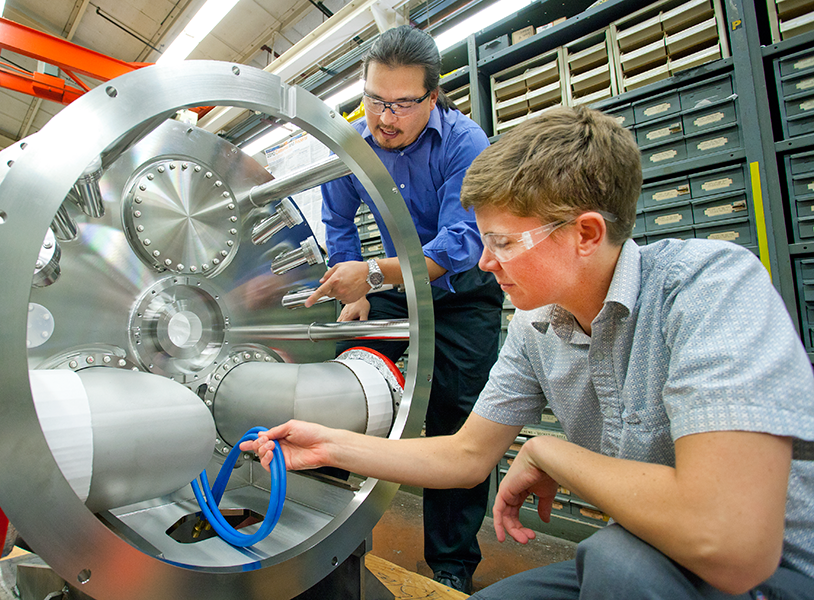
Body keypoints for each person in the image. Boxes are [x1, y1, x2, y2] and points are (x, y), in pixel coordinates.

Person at [243, 104, 814, 599]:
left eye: (503, 243)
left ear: (586, 234)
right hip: (655, 560)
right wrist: (330, 445)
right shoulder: (538, 327)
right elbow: (465, 456)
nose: (486, 264)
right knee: (615, 563)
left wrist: (550, 453)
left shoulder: (710, 289)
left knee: (618, 560)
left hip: (771, 576)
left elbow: (732, 542)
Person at [305, 25, 503, 593]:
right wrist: (362, 292)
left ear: (432, 98)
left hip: (462, 293)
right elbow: (339, 221)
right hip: (394, 284)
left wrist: (369, 272)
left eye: (400, 104)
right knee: (344, 391)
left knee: (456, 422)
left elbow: (457, 243)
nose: (383, 117)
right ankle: (331, 540)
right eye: (372, 99)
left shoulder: (466, 143)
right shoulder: (352, 145)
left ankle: (451, 568)